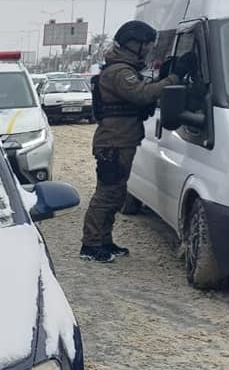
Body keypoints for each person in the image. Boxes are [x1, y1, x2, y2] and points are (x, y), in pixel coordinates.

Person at [80, 21, 195, 263]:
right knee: (107, 193)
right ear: (135, 44)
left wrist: (162, 77)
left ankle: (104, 240)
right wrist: (174, 77)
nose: (149, 49)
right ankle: (91, 245)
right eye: (147, 45)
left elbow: (142, 93)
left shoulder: (125, 69)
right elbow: (141, 94)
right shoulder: (120, 72)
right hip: (113, 143)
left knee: (116, 193)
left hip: (120, 141)